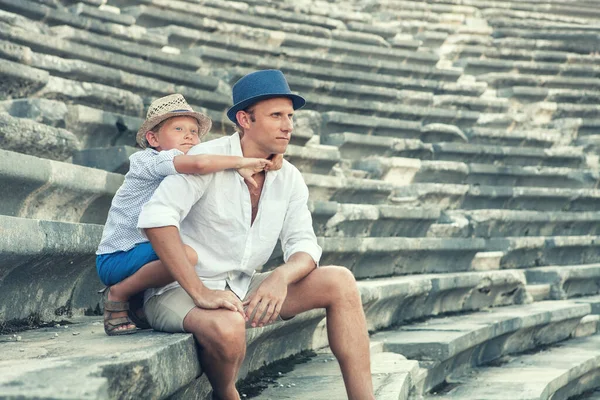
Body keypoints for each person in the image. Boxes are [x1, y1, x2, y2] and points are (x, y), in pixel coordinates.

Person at [138, 70, 374, 400]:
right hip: (180, 289)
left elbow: (304, 244)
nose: (288, 125)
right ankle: (227, 394)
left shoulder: (290, 177)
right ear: (244, 119)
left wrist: (281, 276)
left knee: (340, 281)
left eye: (290, 116)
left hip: (240, 288)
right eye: (276, 115)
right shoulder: (206, 159)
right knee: (229, 326)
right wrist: (201, 292)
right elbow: (156, 218)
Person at [96, 93, 281, 335]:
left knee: (188, 251)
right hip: (117, 256)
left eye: (194, 132)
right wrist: (240, 161)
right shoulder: (147, 160)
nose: (189, 136)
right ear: (153, 138)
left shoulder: (182, 168)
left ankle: (139, 304)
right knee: (188, 255)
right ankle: (117, 293)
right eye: (179, 129)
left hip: (145, 254)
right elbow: (200, 164)